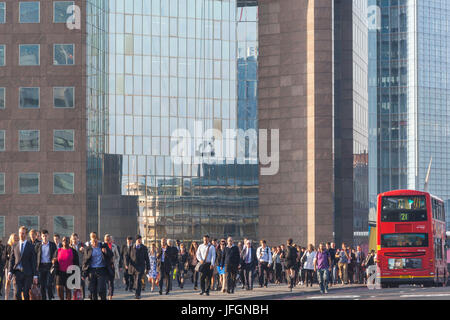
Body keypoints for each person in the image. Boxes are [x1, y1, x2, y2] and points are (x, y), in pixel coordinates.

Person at [8, 226, 38, 300]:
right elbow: (12, 259)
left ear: (26, 234)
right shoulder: (14, 246)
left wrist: (35, 275)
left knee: (26, 293)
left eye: (23, 233)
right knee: (17, 293)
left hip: (28, 273)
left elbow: (34, 262)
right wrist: (10, 272)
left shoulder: (31, 246)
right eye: (20, 233)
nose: (21, 235)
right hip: (17, 273)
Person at [82, 232, 113, 300]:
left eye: (95, 239)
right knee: (93, 290)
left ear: (97, 239)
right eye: (93, 240)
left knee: (101, 289)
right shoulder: (88, 248)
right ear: (91, 240)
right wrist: (84, 273)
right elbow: (85, 260)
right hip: (92, 270)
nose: (94, 241)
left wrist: (106, 252)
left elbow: (111, 255)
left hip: (102, 270)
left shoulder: (103, 245)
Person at [53, 236, 79, 300]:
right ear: (62, 242)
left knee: (68, 291)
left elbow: (76, 264)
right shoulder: (58, 250)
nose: (65, 241)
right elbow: (54, 259)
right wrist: (53, 261)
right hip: (60, 273)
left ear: (69, 241)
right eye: (63, 240)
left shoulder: (73, 251)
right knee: (59, 289)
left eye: (66, 240)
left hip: (70, 274)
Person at [126, 235, 150, 299]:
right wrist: (126, 264)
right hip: (133, 267)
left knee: (138, 279)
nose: (140, 241)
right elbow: (127, 257)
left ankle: (137, 294)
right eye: (138, 239)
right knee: (135, 280)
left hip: (141, 267)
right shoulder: (131, 247)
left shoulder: (144, 248)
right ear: (136, 240)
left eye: (140, 239)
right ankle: (136, 291)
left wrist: (148, 268)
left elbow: (147, 258)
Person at [36, 230, 57, 300]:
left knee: (48, 284)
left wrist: (54, 260)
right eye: (43, 236)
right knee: (42, 285)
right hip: (41, 266)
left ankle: (50, 297)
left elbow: (55, 254)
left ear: (48, 236)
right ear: (41, 237)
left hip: (49, 266)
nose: (45, 237)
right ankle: (44, 298)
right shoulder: (38, 245)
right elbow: (35, 255)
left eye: (46, 236)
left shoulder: (52, 245)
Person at [104, 234, 120, 300]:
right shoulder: (102, 246)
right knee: (105, 282)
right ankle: (107, 292)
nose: (108, 241)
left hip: (112, 266)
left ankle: (110, 295)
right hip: (104, 267)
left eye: (109, 239)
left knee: (111, 282)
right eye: (106, 239)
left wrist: (115, 262)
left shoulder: (114, 246)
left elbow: (118, 256)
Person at [70, 233, 85, 299]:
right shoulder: (69, 246)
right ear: (71, 239)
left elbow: (87, 254)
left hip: (81, 266)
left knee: (81, 282)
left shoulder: (82, 245)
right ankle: (75, 296)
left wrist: (84, 250)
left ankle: (82, 296)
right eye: (73, 239)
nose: (74, 240)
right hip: (72, 266)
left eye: (75, 239)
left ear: (78, 238)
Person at [3, 233, 18, 300]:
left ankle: (15, 297)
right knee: (8, 281)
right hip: (8, 266)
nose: (15, 239)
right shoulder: (8, 246)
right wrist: (8, 256)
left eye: (16, 238)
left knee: (15, 283)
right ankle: (6, 297)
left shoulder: (18, 245)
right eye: (14, 238)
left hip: (16, 266)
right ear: (11, 238)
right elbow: (3, 256)